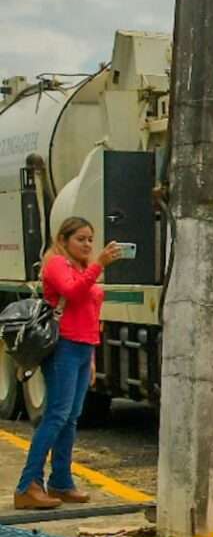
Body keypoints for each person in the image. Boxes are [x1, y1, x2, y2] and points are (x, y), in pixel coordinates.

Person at [14, 218, 120, 510]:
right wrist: (99, 264)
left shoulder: (85, 268)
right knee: (56, 415)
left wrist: (93, 360)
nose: (87, 245)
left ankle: (61, 481)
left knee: (71, 417)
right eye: (80, 239)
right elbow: (73, 293)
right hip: (64, 347)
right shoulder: (57, 264)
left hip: (84, 347)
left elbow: (92, 315)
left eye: (90, 239)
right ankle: (27, 485)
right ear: (63, 240)